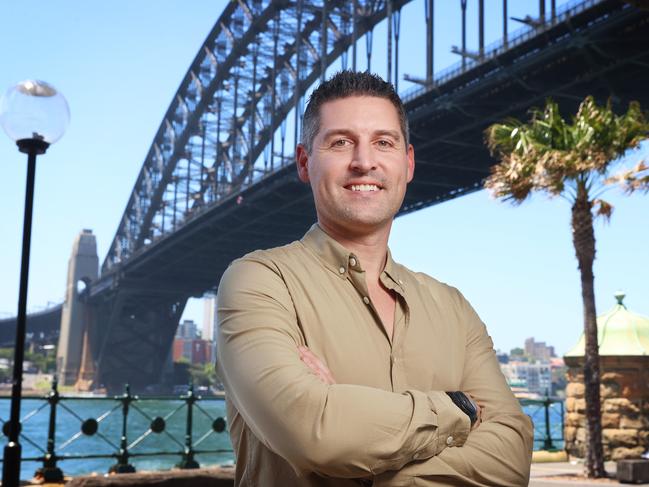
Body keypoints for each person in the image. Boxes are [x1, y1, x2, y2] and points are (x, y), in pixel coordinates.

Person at [216, 71, 533, 486]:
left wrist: (364, 456)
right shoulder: (259, 282)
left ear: (408, 163)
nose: (364, 161)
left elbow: (511, 457)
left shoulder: (451, 306)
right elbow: (315, 433)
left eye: (384, 142)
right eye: (340, 142)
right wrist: (461, 409)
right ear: (304, 162)